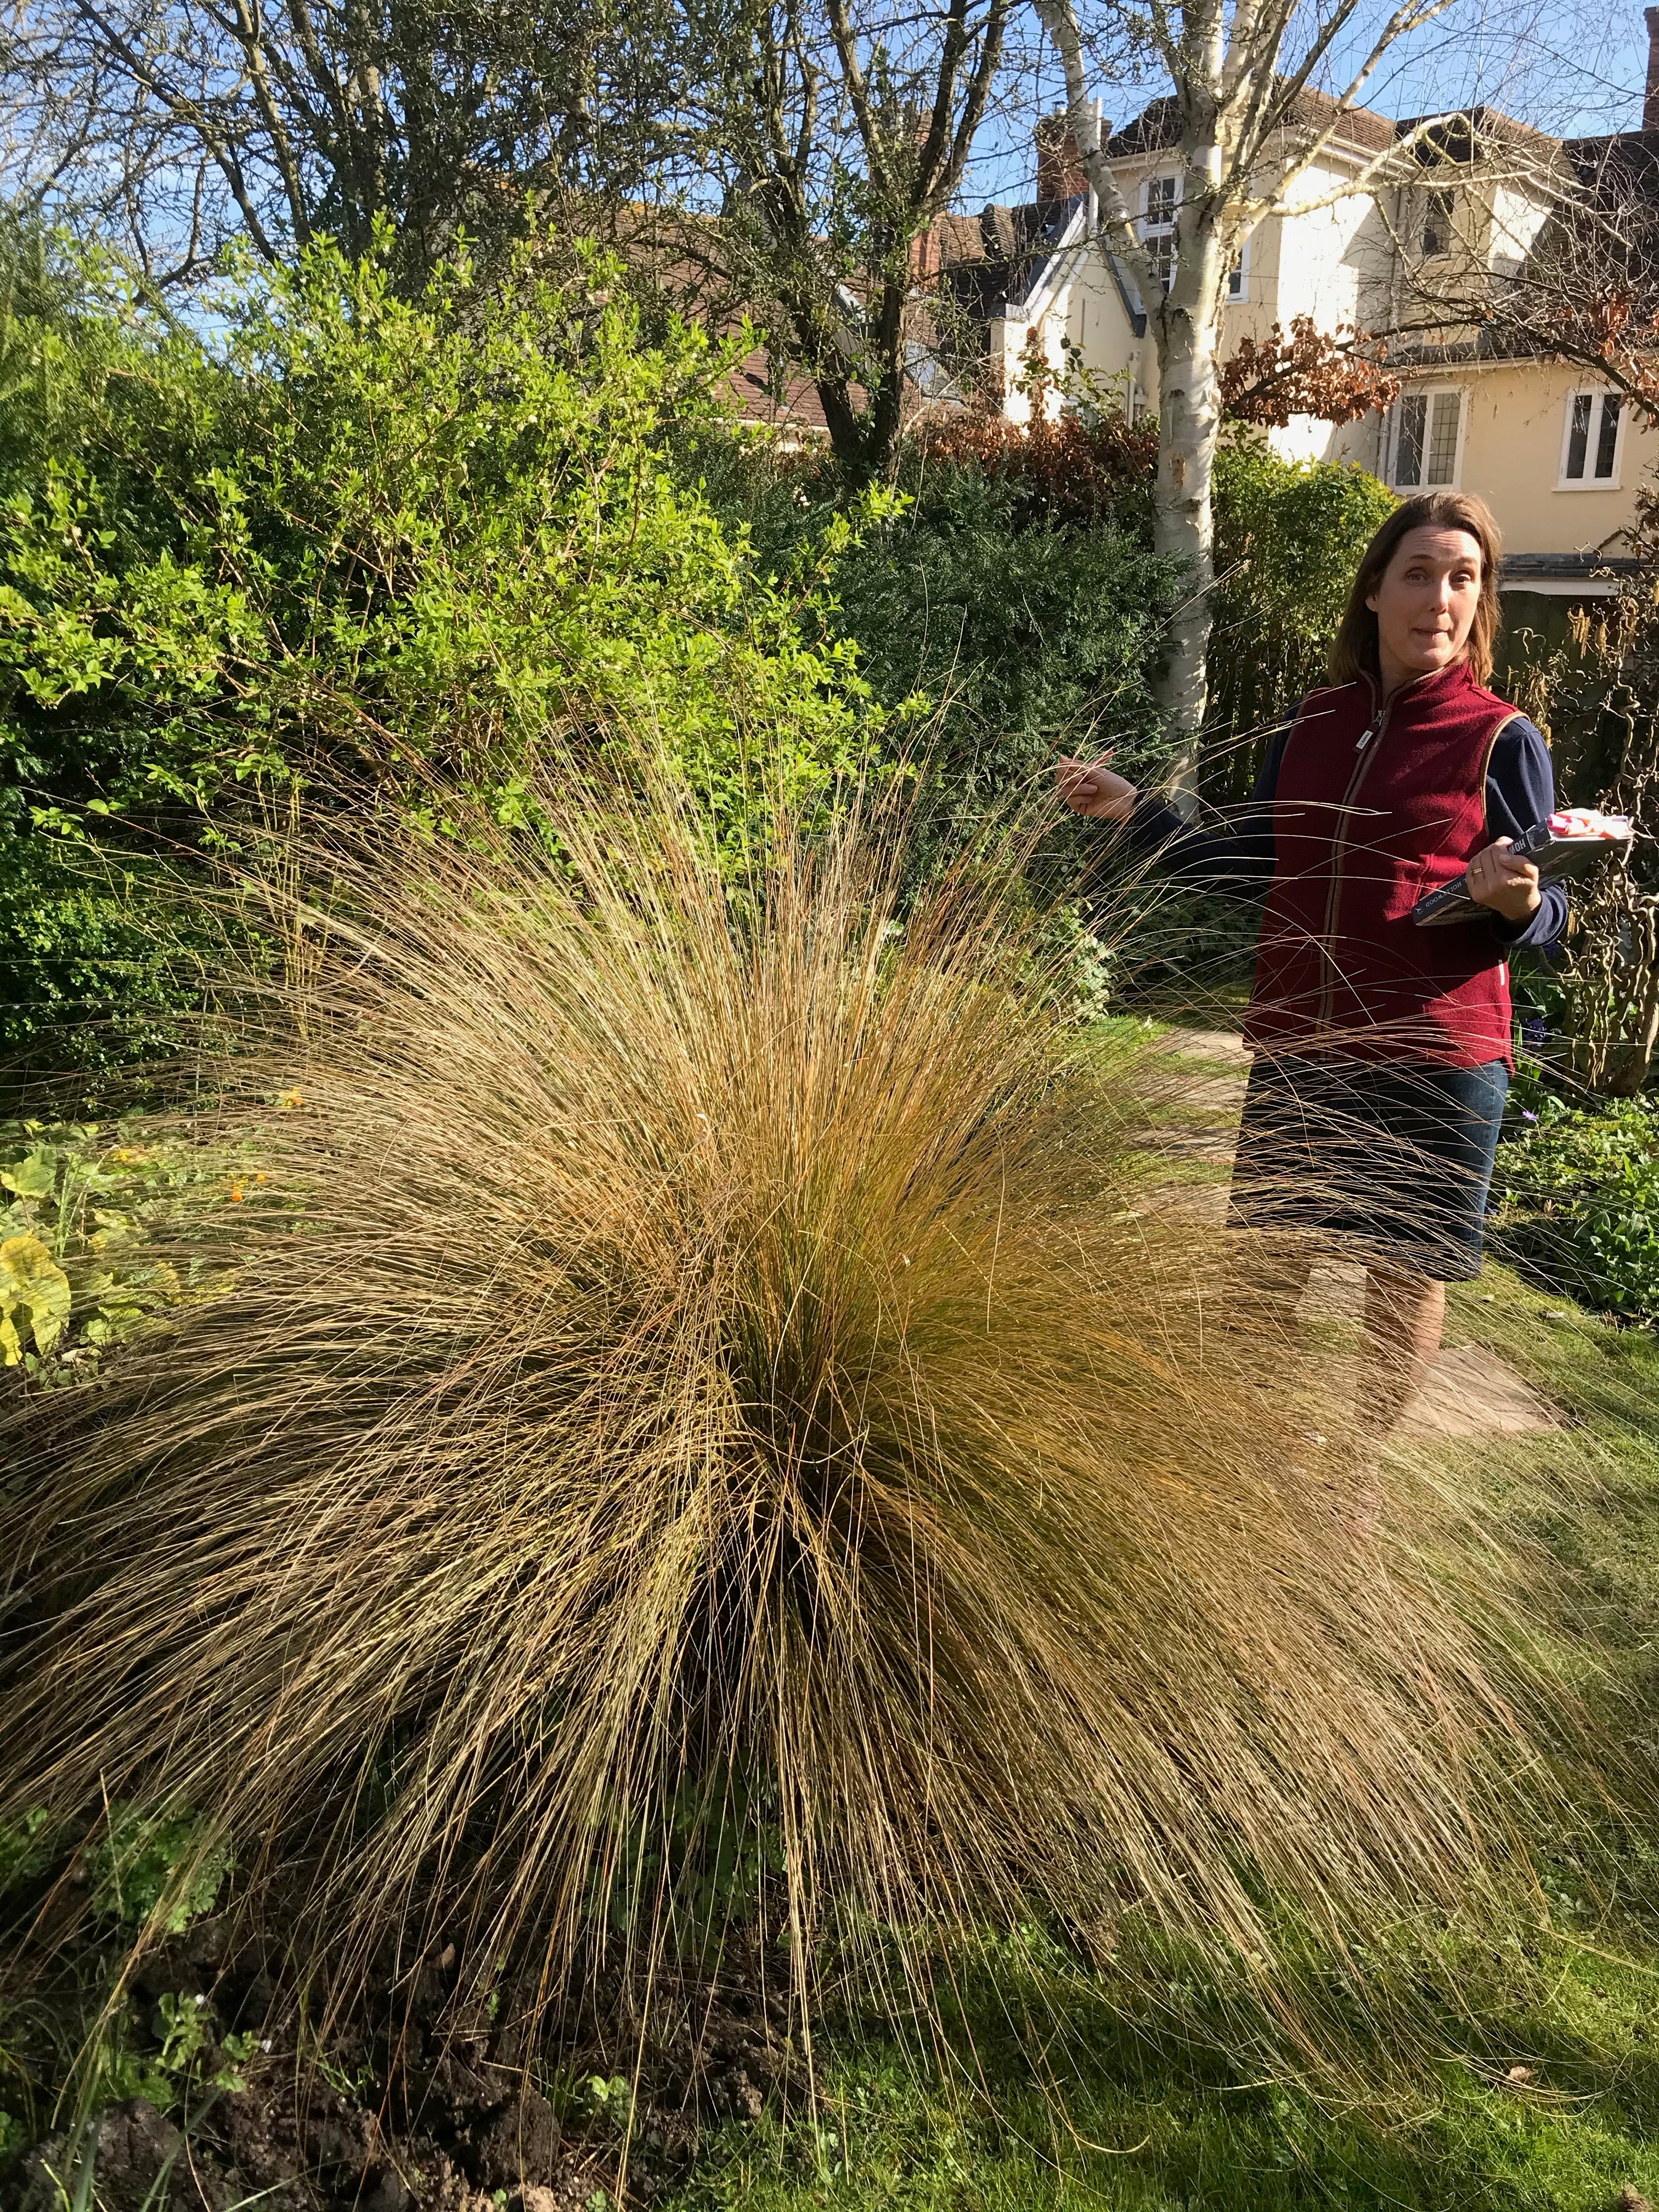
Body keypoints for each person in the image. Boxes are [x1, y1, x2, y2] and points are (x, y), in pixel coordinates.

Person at [1056, 489, 1567, 1454]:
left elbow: (1549, 914)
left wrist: (1520, 902)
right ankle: (1254, 1454)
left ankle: (1356, 1467)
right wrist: (1134, 810)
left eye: (1464, 579)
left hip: (1438, 1056)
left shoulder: (1503, 738)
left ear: (1481, 600)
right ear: (1375, 591)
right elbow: (1251, 866)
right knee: (1268, 1262)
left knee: (1402, 1274)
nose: (1440, 600)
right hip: (1306, 1043)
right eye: (1419, 574)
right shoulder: (1313, 724)